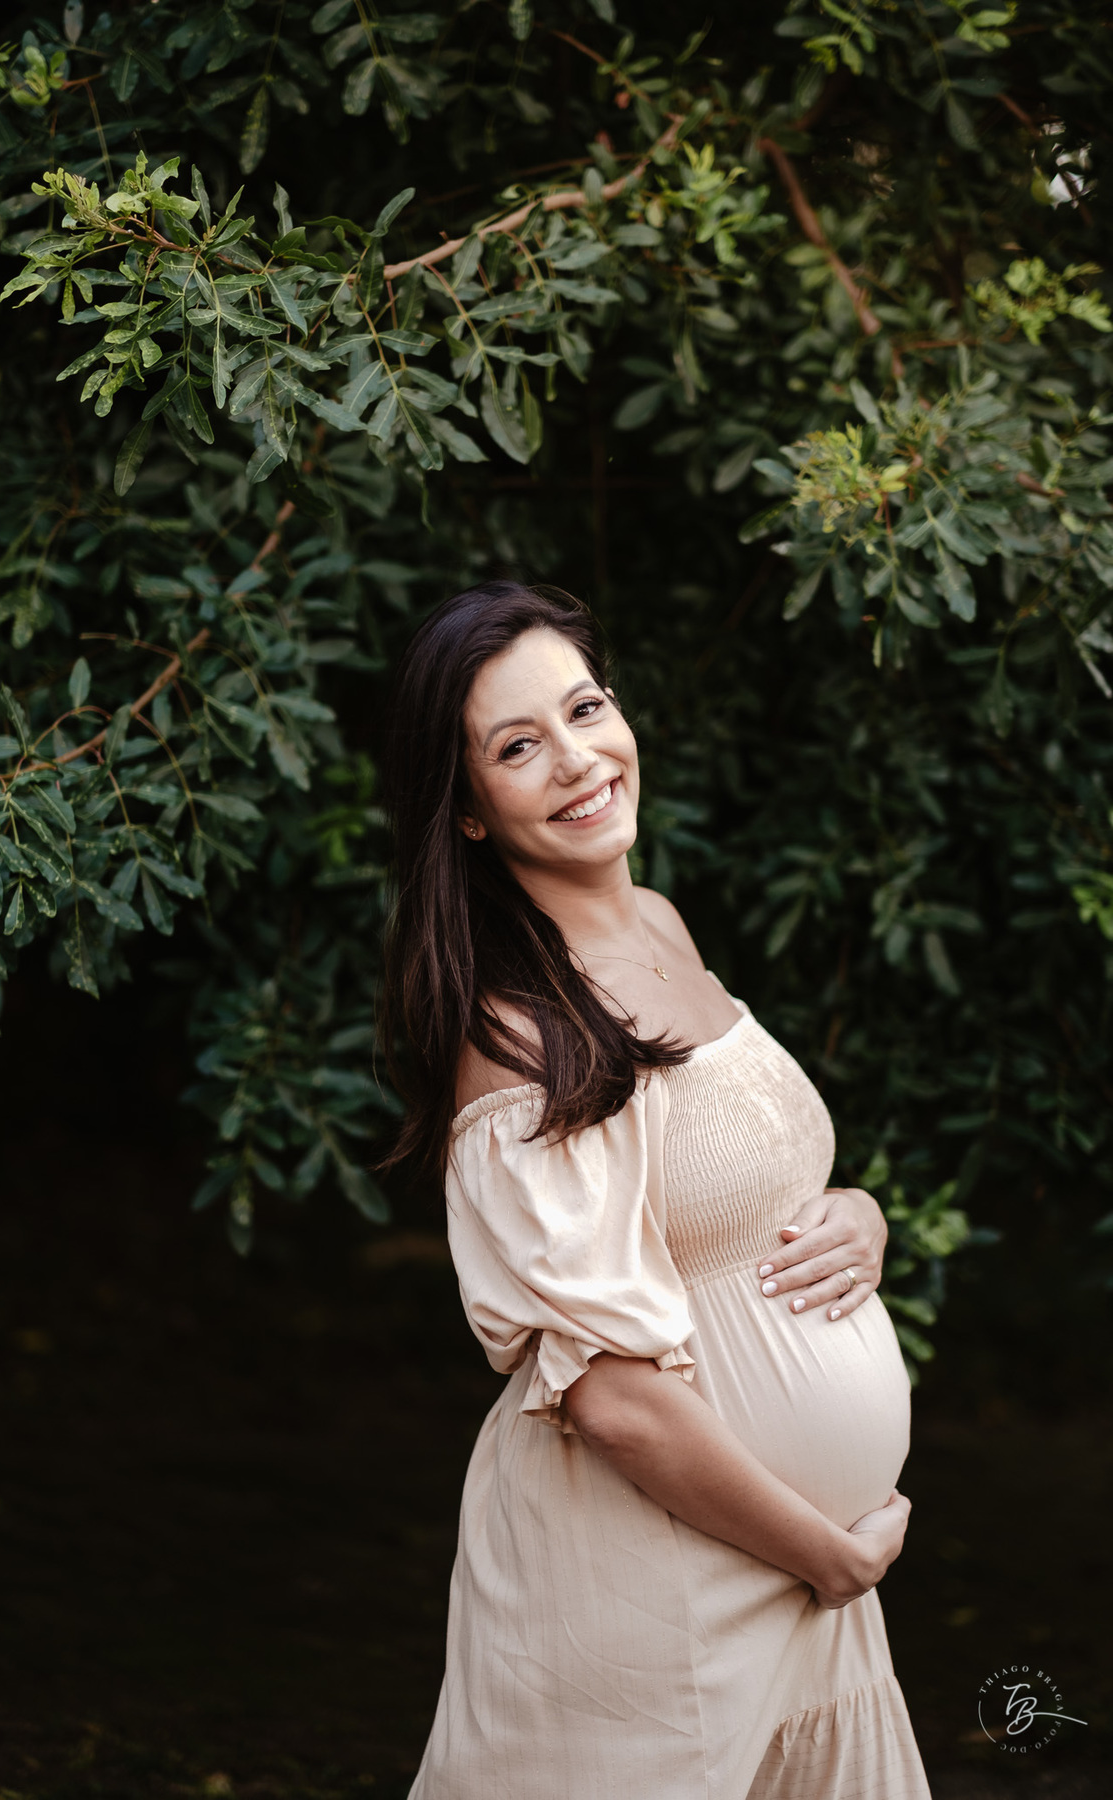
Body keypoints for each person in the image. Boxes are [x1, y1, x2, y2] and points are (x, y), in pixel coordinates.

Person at [381, 581, 931, 1799]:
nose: (578, 759)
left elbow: (740, 1176)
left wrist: (863, 1220)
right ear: (466, 809)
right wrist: (826, 1559)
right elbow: (616, 1401)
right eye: (519, 747)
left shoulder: (663, 924)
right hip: (653, 1593)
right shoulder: (521, 1029)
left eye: (586, 708)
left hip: (780, 1569)